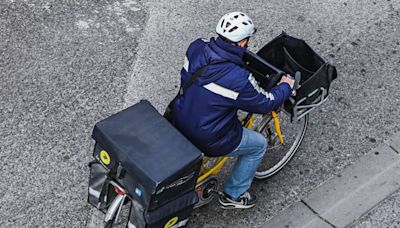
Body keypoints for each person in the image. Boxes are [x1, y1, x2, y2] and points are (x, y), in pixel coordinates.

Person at [171, 12, 294, 209]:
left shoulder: (197, 46)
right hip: (209, 137)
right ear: (242, 42)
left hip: (177, 116)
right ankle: (234, 195)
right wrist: (286, 86)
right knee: (258, 145)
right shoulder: (238, 78)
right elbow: (266, 102)